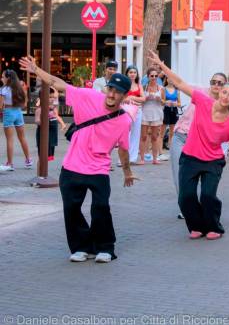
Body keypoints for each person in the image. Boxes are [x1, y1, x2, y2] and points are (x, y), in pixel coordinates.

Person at [19, 55, 139, 263]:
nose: (112, 94)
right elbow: (60, 84)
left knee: (100, 208)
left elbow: (123, 150)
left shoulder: (123, 120)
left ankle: (105, 248)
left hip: (99, 169)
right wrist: (36, 69)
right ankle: (81, 246)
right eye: (110, 89)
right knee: (71, 208)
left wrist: (127, 172)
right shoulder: (88, 97)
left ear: (124, 96)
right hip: (73, 165)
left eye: (117, 92)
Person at [146, 51, 229, 240]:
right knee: (186, 197)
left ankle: (214, 226)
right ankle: (196, 225)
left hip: (212, 162)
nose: (225, 97)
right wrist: (161, 65)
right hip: (190, 157)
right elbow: (180, 83)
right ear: (219, 92)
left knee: (208, 196)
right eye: (224, 92)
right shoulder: (203, 101)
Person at [169, 72, 228, 220]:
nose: (216, 85)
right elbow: (181, 83)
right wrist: (162, 67)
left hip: (200, 143)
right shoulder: (200, 92)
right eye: (213, 81)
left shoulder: (223, 105)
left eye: (220, 83)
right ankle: (186, 207)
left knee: (200, 176)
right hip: (181, 137)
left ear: (224, 86)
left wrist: (223, 151)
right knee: (179, 176)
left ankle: (200, 207)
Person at [0, 70, 33, 171]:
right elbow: (25, 103)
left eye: (3, 77)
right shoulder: (20, 88)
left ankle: (10, 163)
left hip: (8, 112)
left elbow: (0, 106)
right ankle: (28, 160)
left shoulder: (3, 89)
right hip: (18, 112)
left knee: (10, 139)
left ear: (8, 78)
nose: (1, 79)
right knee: (22, 137)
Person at [138, 67, 165, 165]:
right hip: (145, 112)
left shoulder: (161, 88)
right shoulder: (143, 87)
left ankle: (155, 158)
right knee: (144, 136)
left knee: (154, 137)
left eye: (156, 76)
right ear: (148, 76)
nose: (154, 78)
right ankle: (142, 158)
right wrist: (146, 98)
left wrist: (159, 99)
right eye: (152, 76)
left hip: (156, 113)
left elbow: (163, 102)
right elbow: (140, 100)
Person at [35, 87, 66, 161]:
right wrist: (42, 122)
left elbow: (56, 116)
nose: (52, 99)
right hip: (44, 133)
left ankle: (43, 170)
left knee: (49, 151)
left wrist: (62, 124)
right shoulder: (40, 109)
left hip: (52, 132)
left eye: (52, 97)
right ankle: (41, 171)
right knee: (43, 155)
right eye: (49, 97)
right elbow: (37, 120)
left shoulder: (53, 108)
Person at [122, 66, 145, 164]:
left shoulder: (139, 85)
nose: (132, 74)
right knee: (126, 133)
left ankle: (132, 158)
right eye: (130, 72)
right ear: (127, 73)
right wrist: (133, 98)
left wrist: (131, 97)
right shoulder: (123, 84)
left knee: (136, 133)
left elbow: (143, 99)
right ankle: (123, 158)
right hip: (126, 110)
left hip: (138, 110)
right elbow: (122, 98)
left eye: (134, 72)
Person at [160, 76, 180, 156]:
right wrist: (166, 102)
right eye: (169, 78)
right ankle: (160, 151)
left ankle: (170, 149)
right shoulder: (164, 89)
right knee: (162, 131)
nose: (171, 80)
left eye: (172, 79)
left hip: (174, 110)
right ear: (167, 79)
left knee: (172, 132)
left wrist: (176, 104)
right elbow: (162, 101)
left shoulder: (177, 91)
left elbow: (179, 103)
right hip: (166, 110)